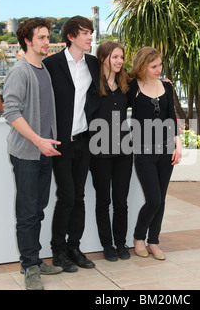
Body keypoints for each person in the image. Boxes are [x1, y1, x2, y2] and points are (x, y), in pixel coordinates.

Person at [3, 17, 63, 290]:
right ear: (27, 41)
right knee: (27, 213)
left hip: (44, 152)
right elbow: (11, 112)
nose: (46, 42)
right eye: (40, 37)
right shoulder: (20, 71)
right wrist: (39, 141)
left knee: (37, 210)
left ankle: (35, 260)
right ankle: (29, 266)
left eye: (47, 37)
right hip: (28, 153)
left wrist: (45, 143)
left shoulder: (44, 70)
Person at [43, 16, 100, 272]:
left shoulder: (93, 63)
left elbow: (117, 80)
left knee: (79, 197)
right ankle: (58, 251)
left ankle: (74, 248)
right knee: (66, 197)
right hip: (60, 142)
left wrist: (160, 83)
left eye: (91, 32)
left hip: (85, 141)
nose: (90, 37)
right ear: (71, 36)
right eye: (85, 32)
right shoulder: (51, 64)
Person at [128, 47, 182, 261]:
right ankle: (138, 238)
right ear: (142, 66)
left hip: (166, 149)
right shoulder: (132, 87)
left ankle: (154, 241)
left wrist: (178, 145)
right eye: (154, 66)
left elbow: (171, 116)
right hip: (144, 151)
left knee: (162, 198)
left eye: (160, 65)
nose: (159, 69)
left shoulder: (166, 86)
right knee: (154, 199)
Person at [89, 41, 132, 261]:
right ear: (103, 57)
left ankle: (121, 243)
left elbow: (148, 89)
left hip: (124, 149)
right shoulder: (93, 84)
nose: (119, 61)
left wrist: (165, 85)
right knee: (103, 200)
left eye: (121, 57)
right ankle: (107, 245)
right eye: (115, 57)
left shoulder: (126, 83)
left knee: (121, 201)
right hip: (99, 150)